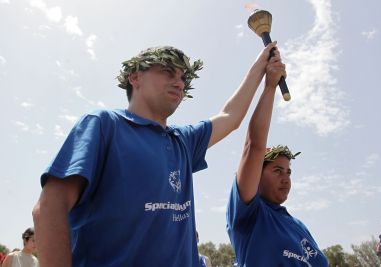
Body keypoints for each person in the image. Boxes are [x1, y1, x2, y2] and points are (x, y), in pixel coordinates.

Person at [32, 43, 278, 266]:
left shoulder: (183, 140)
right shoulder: (104, 125)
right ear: (135, 77)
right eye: (168, 71)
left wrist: (262, 68)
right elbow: (49, 207)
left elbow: (230, 117)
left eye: (183, 78)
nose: (179, 82)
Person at [226, 47, 328, 266]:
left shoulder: (298, 226)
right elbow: (254, 146)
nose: (286, 178)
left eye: (289, 172)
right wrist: (270, 86)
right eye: (277, 170)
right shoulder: (250, 215)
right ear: (257, 176)